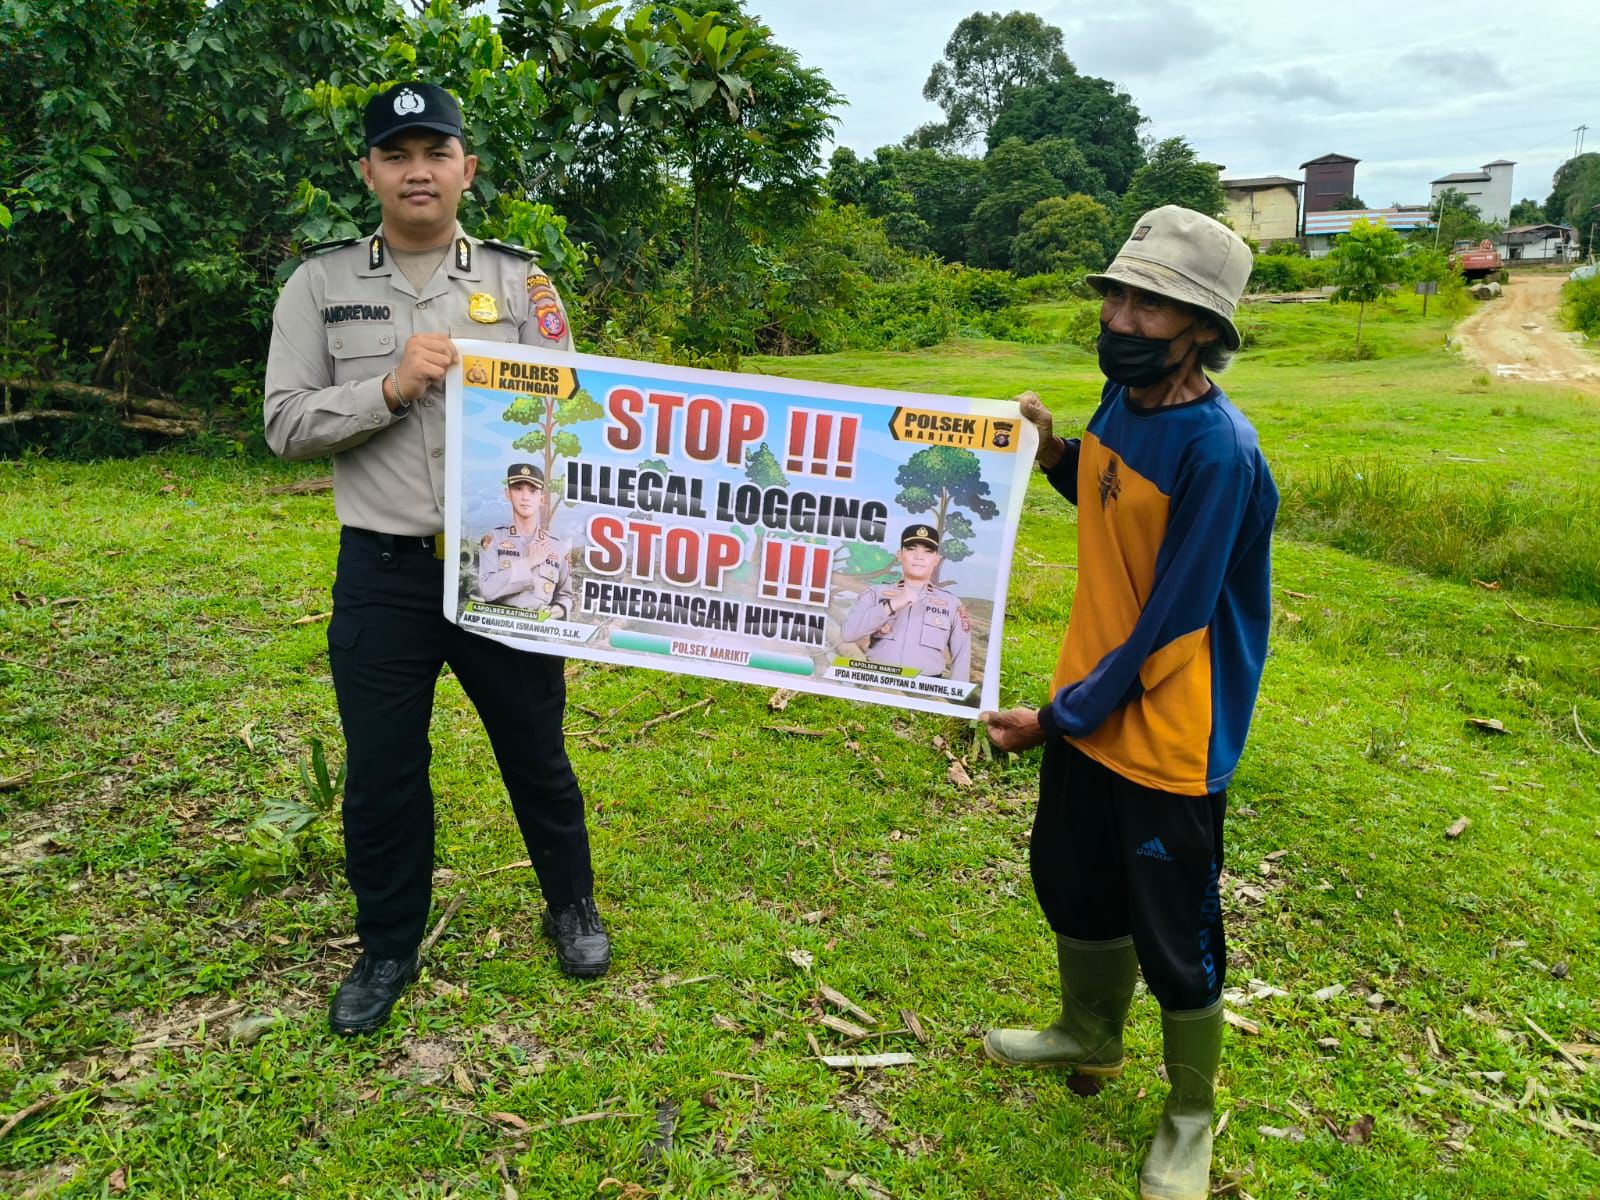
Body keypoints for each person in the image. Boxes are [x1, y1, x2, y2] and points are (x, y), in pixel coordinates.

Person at [265, 82, 610, 1037]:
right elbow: (284, 424)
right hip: (381, 572)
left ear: (466, 168)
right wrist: (385, 386)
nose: (418, 170)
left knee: (535, 749)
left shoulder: (522, 284)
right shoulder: (319, 287)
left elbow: (573, 411)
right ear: (370, 170)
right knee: (382, 771)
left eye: (437, 151)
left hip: (500, 569)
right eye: (397, 154)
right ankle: (387, 947)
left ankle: (571, 903)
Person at [980, 206, 1278, 1200]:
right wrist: (1058, 452)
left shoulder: (1218, 452)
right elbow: (1110, 501)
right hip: (1089, 704)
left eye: (1152, 304)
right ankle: (1089, 1033)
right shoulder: (1124, 403)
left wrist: (1054, 717)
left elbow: (1174, 624)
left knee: (1177, 937)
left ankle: (1189, 1118)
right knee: (1070, 881)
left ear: (1202, 327)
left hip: (1164, 733)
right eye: (1116, 294)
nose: (1122, 316)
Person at [839, 524, 971, 682]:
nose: (919, 556)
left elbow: (961, 655)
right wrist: (891, 605)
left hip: (926, 688)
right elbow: (847, 634)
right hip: (877, 681)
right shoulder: (875, 593)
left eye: (928, 551)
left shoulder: (951, 603)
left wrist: (957, 699)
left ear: (936, 559)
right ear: (899, 555)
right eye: (911, 549)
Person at [477, 462, 574, 619]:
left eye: (533, 491)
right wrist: (530, 561)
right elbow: (486, 590)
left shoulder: (558, 547)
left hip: (540, 631)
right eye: (518, 488)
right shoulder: (493, 539)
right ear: (507, 493)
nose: (525, 497)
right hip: (499, 626)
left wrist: (560, 609)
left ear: (542, 498)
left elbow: (565, 595)